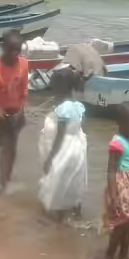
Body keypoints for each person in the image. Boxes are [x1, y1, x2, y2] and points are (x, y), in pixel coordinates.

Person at [38, 67, 88, 221]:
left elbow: (59, 136)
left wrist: (50, 158)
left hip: (64, 148)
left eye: (53, 87)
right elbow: (78, 129)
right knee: (74, 180)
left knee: (56, 180)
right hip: (77, 148)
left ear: (60, 87)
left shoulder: (62, 109)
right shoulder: (78, 106)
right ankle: (76, 213)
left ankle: (56, 217)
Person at [0, 29, 29, 193]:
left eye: (17, 49)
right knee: (4, 147)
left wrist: (21, 110)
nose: (14, 53)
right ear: (3, 47)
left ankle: (8, 176)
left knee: (13, 145)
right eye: (10, 49)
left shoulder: (24, 63)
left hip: (17, 111)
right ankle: (3, 183)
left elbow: (24, 91)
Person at [103, 101, 129, 259]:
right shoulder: (117, 143)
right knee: (120, 225)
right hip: (121, 190)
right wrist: (113, 197)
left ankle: (124, 256)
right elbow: (111, 170)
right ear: (120, 123)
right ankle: (109, 255)